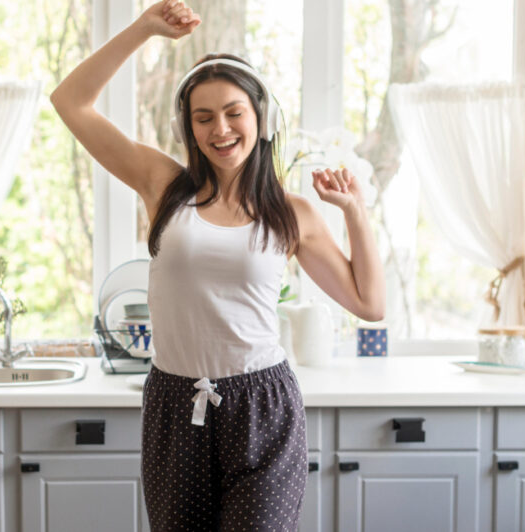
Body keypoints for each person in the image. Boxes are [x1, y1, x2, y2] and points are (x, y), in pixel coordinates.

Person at [51, 1, 385, 529]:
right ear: (188, 127)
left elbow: (370, 303)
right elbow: (71, 102)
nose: (220, 129)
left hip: (263, 405)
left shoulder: (289, 213)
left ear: (261, 117)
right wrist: (143, 29)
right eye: (203, 117)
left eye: (234, 113)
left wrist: (356, 214)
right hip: (174, 403)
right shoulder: (162, 185)